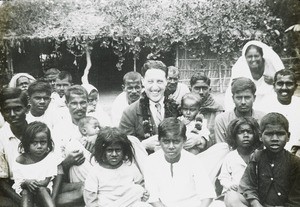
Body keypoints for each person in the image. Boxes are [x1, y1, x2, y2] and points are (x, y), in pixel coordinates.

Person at [144, 117, 216, 207]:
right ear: (159, 141)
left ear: (184, 141)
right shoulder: (151, 161)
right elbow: (153, 198)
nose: (171, 146)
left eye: (176, 141)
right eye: (166, 142)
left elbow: (207, 194)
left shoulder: (193, 161)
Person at [234, 113, 300, 207]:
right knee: (231, 197)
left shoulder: (295, 162)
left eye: (280, 134)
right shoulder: (256, 157)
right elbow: (248, 186)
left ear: (288, 136)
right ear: (261, 136)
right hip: (260, 205)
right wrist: (256, 204)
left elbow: (296, 199)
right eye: (269, 134)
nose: (274, 139)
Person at [119, 60, 180, 152]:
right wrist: (143, 145)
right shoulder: (130, 113)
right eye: (150, 81)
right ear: (143, 82)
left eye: (159, 81)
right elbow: (121, 145)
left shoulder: (178, 108)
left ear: (166, 81)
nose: (155, 87)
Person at [83, 127, 150, 207]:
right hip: (106, 205)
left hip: (130, 204)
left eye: (118, 150)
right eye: (109, 150)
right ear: (102, 151)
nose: (114, 154)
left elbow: (141, 186)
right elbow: (90, 200)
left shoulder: (129, 166)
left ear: (124, 150)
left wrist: (145, 195)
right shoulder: (96, 171)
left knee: (138, 191)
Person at [12, 121, 61, 207]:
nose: (39, 146)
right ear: (27, 143)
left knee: (41, 189)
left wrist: (34, 183)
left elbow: (46, 182)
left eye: (43, 142)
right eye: (34, 142)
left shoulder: (50, 158)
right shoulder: (19, 160)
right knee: (26, 192)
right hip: (26, 191)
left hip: (44, 191)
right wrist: (27, 182)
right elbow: (19, 183)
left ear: (48, 142)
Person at [224, 40, 284, 111]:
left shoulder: (270, 64)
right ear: (245, 57)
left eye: (256, 56)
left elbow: (283, 83)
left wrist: (274, 81)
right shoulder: (240, 66)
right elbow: (234, 88)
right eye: (249, 57)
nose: (253, 59)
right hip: (247, 100)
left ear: (261, 56)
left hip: (269, 100)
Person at [217, 117, 261, 205]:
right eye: (240, 132)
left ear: (255, 135)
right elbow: (223, 177)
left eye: (249, 132)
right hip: (234, 192)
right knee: (229, 199)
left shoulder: (259, 155)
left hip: (254, 195)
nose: (245, 135)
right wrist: (230, 185)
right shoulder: (231, 156)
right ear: (234, 136)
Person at [255, 69, 300, 153]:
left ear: (296, 86)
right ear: (274, 86)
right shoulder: (264, 105)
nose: (284, 88)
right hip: (271, 154)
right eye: (280, 84)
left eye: (289, 84)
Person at [0, 88, 29, 207]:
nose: (12, 115)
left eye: (17, 109)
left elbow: (57, 168)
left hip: (44, 184)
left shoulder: (41, 130)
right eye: (7, 110)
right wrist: (22, 202)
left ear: (27, 109)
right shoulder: (1, 137)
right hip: (14, 189)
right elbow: (1, 181)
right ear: (1, 113)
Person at [215, 77, 265, 144]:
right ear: (233, 98)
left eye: (247, 97)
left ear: (254, 98)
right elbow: (221, 147)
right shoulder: (222, 120)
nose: (243, 102)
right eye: (239, 98)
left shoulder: (263, 119)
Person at [190, 73, 223, 144]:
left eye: (204, 88)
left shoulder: (218, 110)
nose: (201, 92)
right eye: (197, 88)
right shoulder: (185, 109)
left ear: (209, 89)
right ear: (191, 89)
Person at [65, 116, 100, 183]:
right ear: (84, 131)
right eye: (95, 127)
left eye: (99, 127)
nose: (98, 129)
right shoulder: (81, 141)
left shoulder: (96, 138)